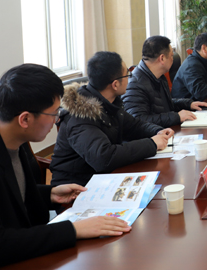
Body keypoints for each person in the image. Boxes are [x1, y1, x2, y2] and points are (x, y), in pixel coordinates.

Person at [0, 64, 131, 270]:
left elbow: (7, 193)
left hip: (23, 259)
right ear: (25, 119)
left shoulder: (15, 141)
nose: (57, 120)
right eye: (53, 113)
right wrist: (74, 229)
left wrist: (49, 194)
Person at [50, 52, 174, 186]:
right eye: (127, 75)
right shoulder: (80, 115)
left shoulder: (110, 102)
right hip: (77, 188)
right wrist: (152, 144)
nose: (130, 78)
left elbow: (134, 126)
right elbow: (104, 158)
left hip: (104, 178)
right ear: (115, 85)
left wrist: (158, 131)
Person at [122, 35, 207, 128]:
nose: (173, 59)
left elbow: (164, 105)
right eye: (171, 55)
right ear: (162, 58)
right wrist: (176, 117)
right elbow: (138, 120)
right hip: (154, 135)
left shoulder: (159, 76)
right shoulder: (134, 85)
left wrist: (189, 104)